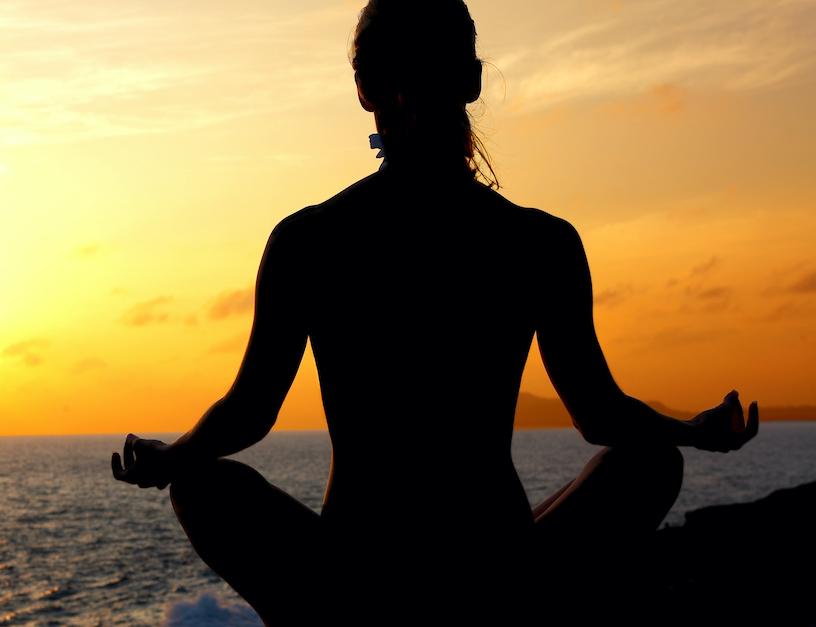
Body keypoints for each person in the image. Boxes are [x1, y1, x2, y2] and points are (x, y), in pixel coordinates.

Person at [112, 1, 760, 624]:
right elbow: (599, 415)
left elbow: (249, 412)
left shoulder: (310, 239)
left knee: (202, 486)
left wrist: (173, 458)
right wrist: (693, 431)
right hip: (496, 573)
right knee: (651, 463)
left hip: (356, 575)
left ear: (363, 88)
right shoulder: (539, 242)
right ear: (473, 79)